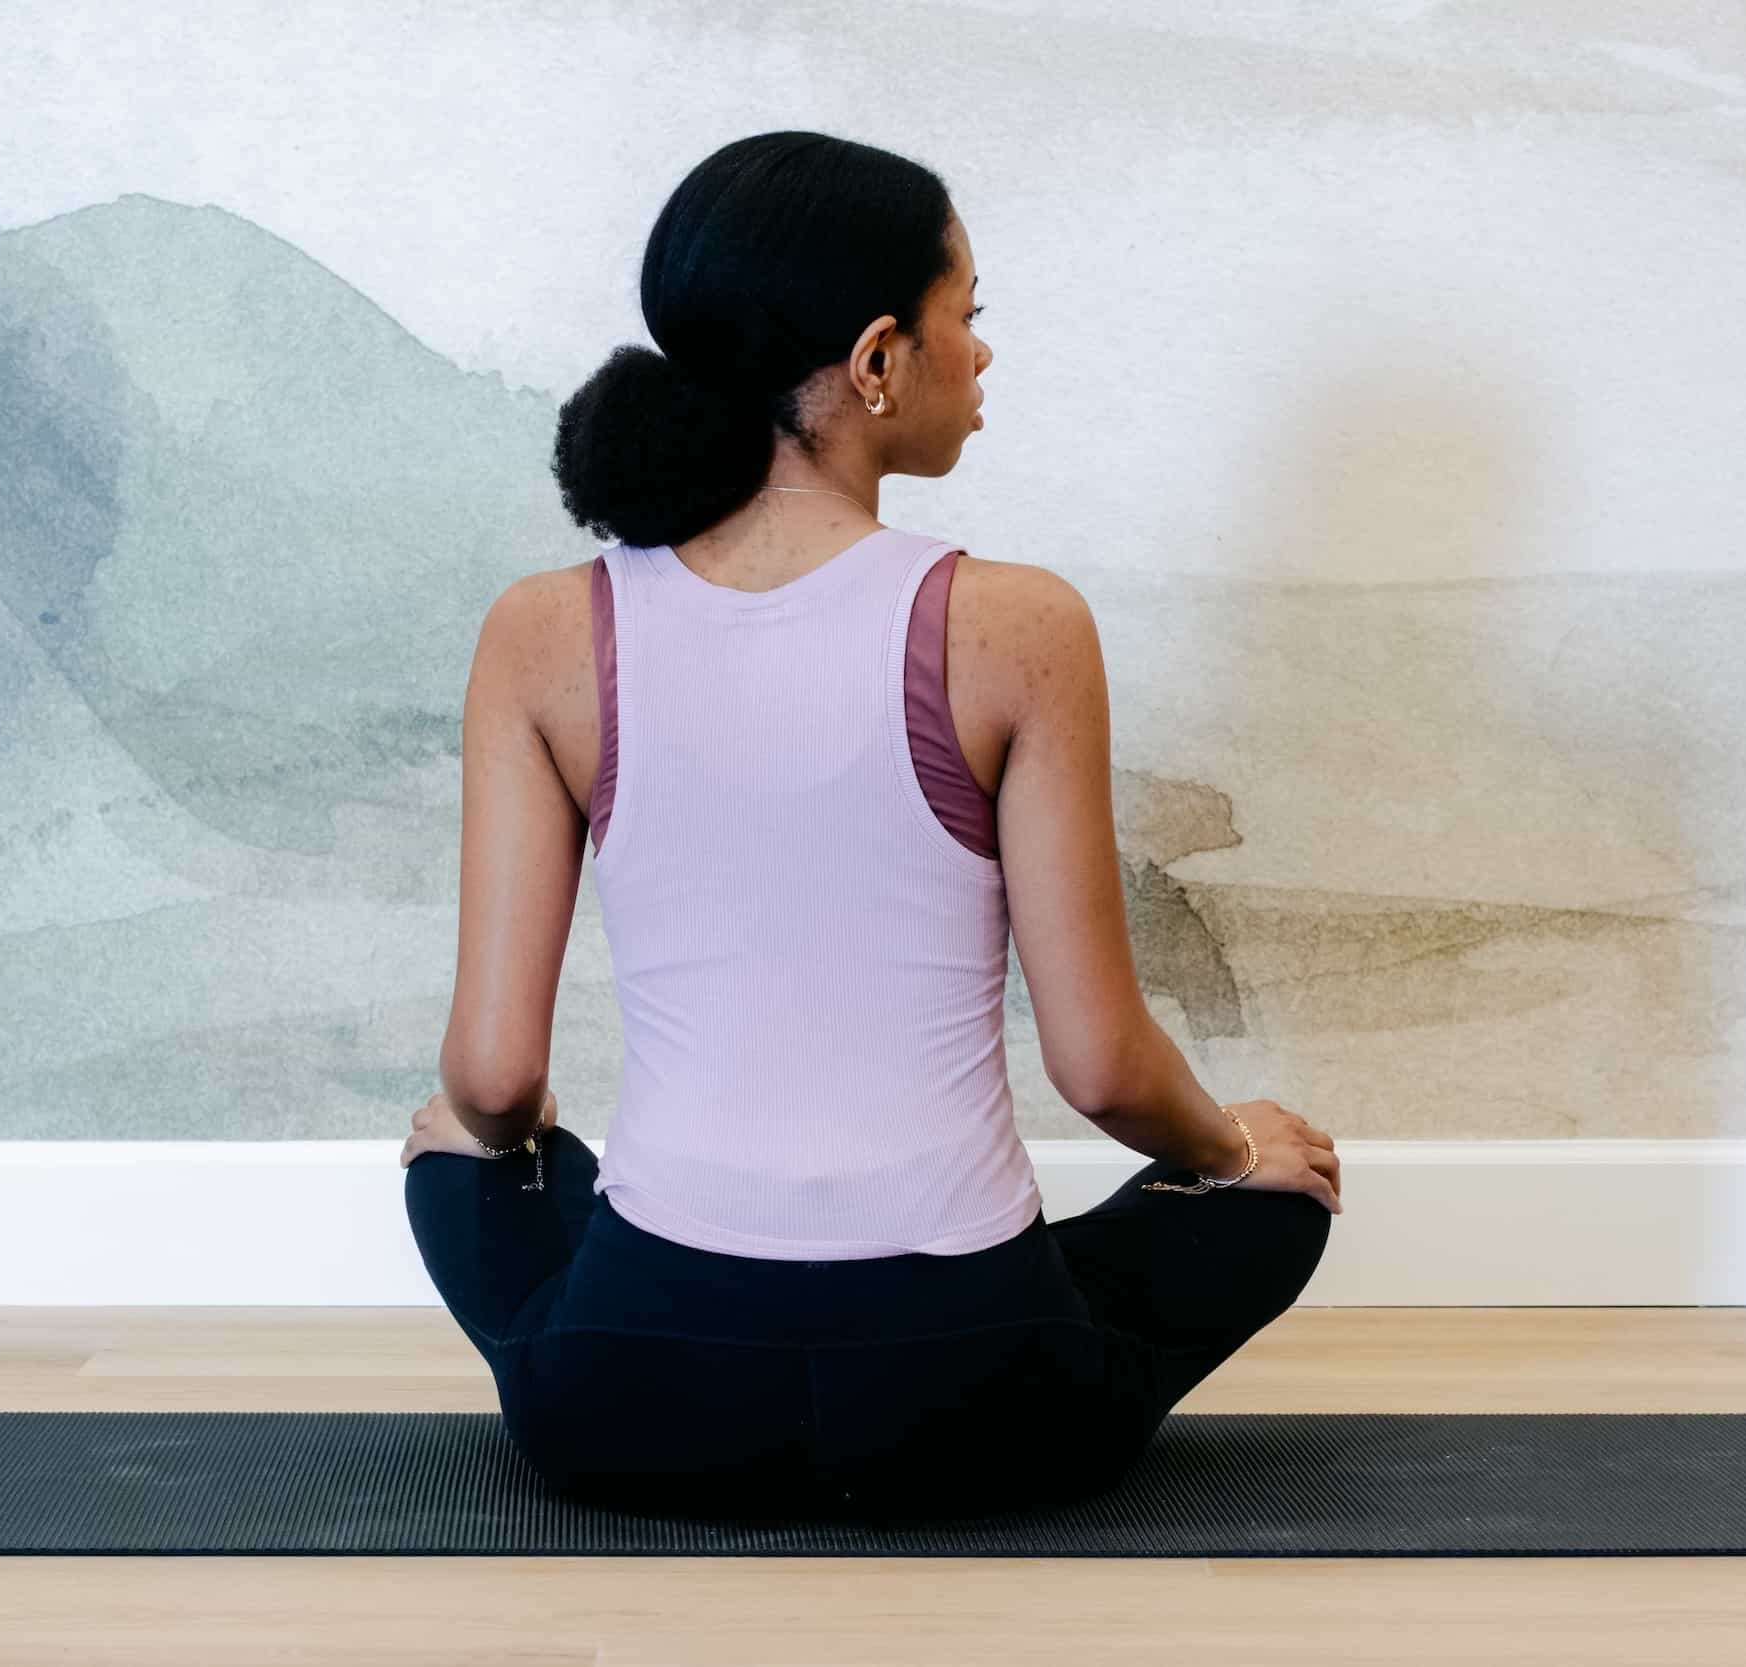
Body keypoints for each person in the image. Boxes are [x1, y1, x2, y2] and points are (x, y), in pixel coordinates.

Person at [403, 130, 1340, 1524]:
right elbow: (1102, 1067)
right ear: (880, 359)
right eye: (969, 313)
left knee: (464, 1162)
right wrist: (1235, 1155)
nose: (984, 352)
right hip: (969, 1398)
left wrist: (501, 1133)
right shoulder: (1020, 624)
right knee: (1275, 1193)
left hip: (633, 1403)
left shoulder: (542, 631)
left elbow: (491, 1076)